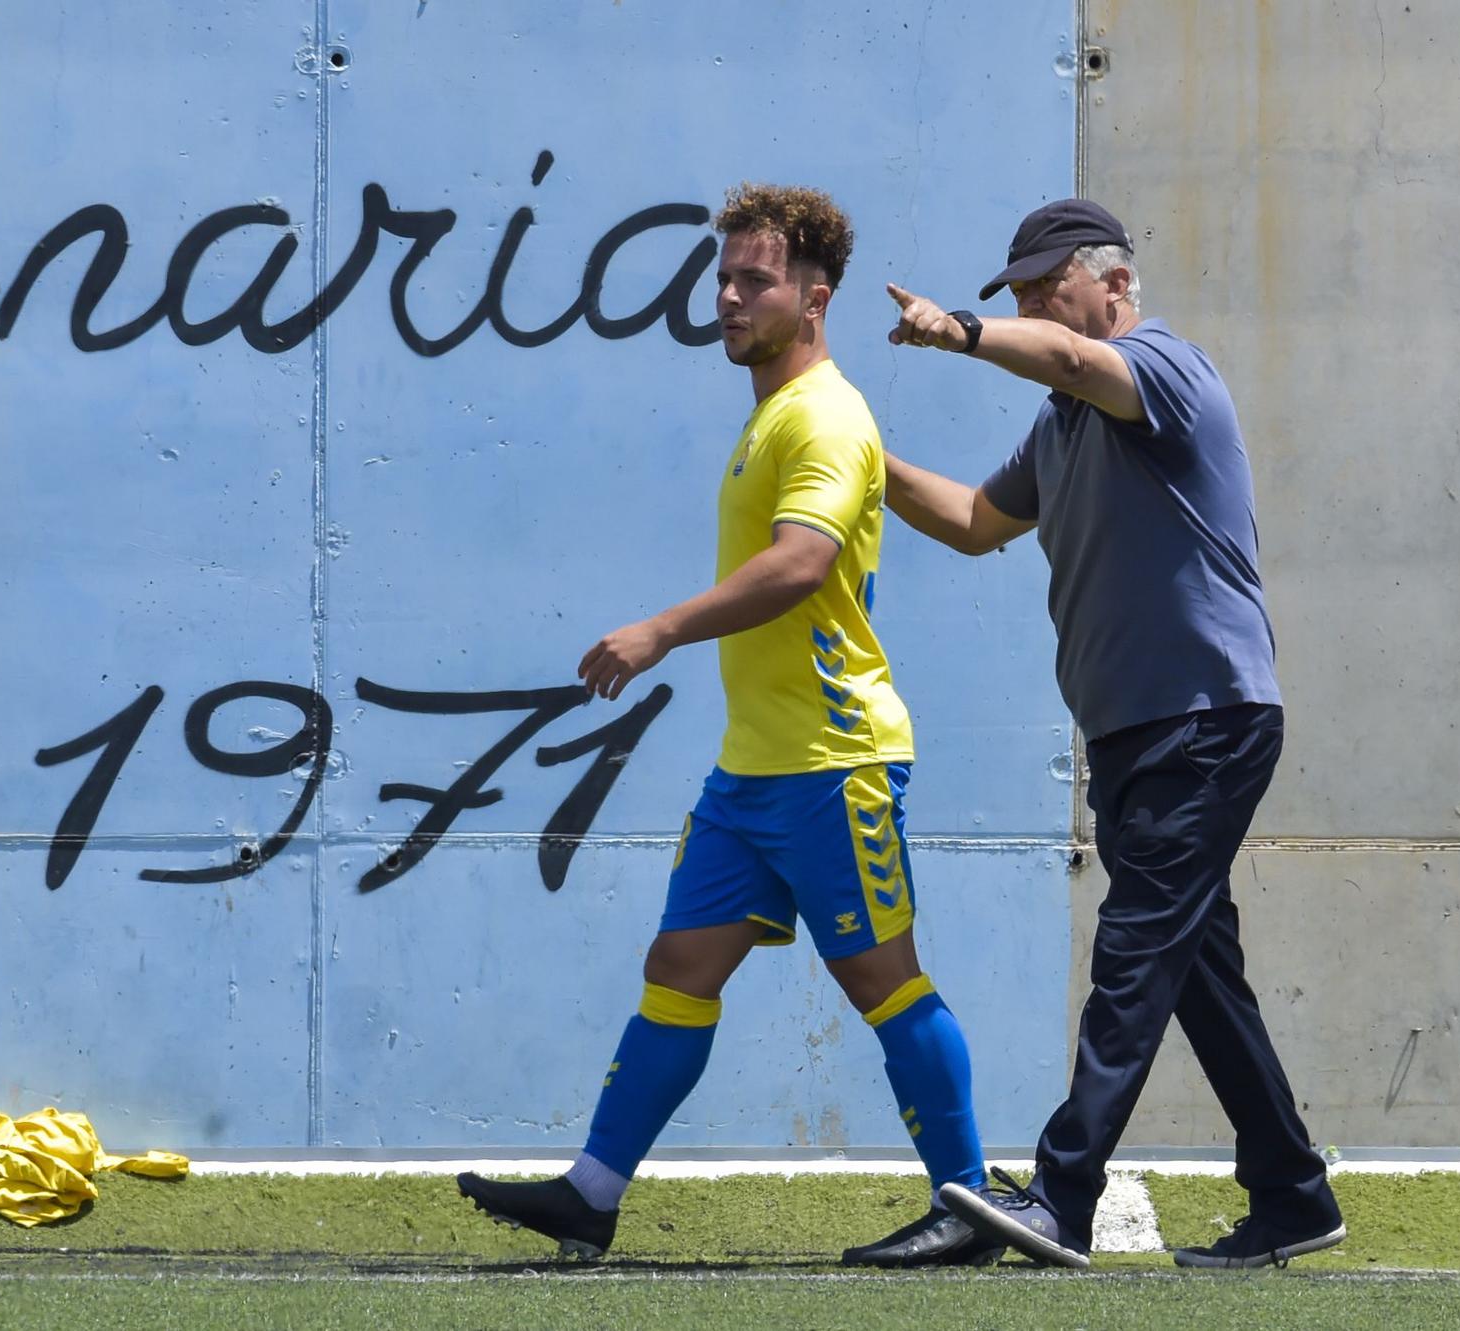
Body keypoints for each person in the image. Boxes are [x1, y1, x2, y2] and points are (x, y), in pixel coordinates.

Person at [457, 184, 999, 1267]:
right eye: (723, 276)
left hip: (831, 761)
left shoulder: (823, 414)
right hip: (753, 769)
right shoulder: (774, 414)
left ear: (813, 298)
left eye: (753, 279)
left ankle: (969, 1203)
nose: (726, 296)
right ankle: (592, 1192)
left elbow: (799, 564)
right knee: (680, 961)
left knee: (880, 978)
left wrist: (659, 630)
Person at [880, 198, 1346, 1271]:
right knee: (1191, 969)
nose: (1038, 306)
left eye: (1051, 286)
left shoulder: (1162, 370)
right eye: (1024, 293)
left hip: (1205, 719)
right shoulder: (1059, 424)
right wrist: (863, 456)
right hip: (1133, 733)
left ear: (1113, 285)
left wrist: (959, 330)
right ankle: (1290, 1191)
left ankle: (1060, 1191)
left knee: (1133, 954)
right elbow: (969, 523)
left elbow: (1067, 359)